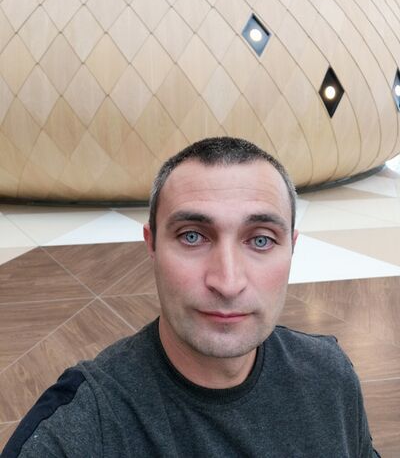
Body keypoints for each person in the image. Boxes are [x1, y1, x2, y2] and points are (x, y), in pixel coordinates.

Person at [2, 137, 379, 457]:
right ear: (152, 245)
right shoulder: (81, 429)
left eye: (261, 240)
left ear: (292, 248)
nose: (228, 282)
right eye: (192, 237)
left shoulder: (330, 377)